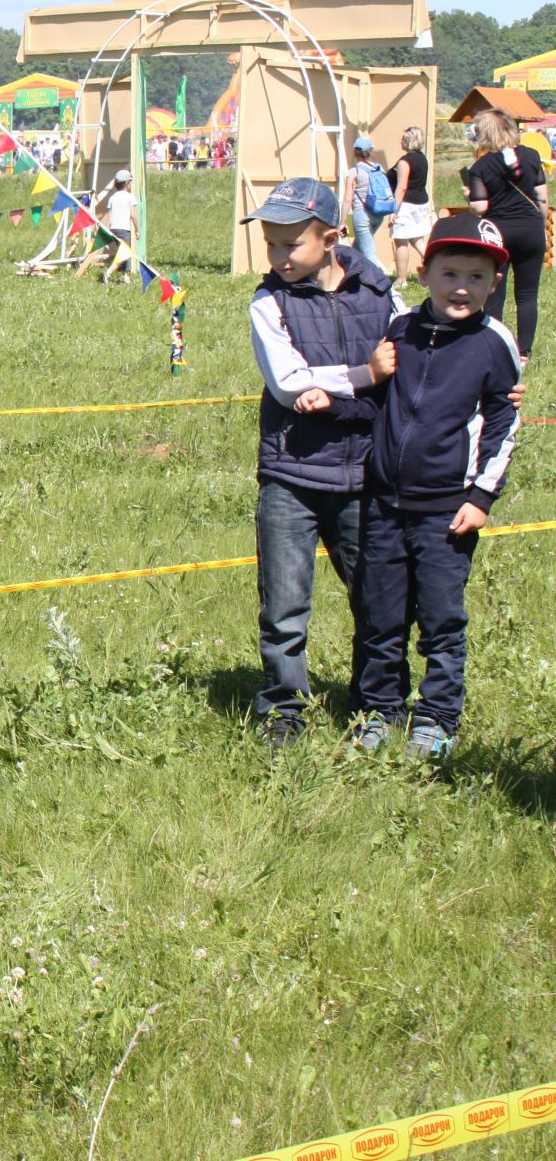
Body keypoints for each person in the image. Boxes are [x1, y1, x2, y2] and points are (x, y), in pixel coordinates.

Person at [353, 214, 523, 760]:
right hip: (383, 503)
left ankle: (436, 718)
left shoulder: (495, 342)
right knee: (380, 616)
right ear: (425, 273)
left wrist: (480, 498)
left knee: (441, 620)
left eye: (477, 278)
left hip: (446, 512)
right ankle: (379, 709)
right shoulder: (399, 328)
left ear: (494, 284)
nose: (462, 287)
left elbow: (504, 423)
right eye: (451, 273)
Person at [240, 177, 401, 748]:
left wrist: (493, 383)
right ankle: (284, 709)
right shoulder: (268, 302)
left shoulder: (382, 295)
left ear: (331, 238)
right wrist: (362, 378)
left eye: (292, 245)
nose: (279, 257)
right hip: (292, 474)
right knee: (284, 609)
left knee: (376, 599)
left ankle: (376, 704)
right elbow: (288, 383)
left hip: (365, 473)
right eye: (271, 245)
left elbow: (417, 354)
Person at [466, 108, 547, 365]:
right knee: (527, 294)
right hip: (531, 229)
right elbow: (542, 197)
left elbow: (480, 207)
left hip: (498, 232)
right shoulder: (533, 156)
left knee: (494, 291)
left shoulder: (481, 166)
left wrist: (469, 196)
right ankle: (523, 353)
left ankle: (495, 345)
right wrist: (539, 225)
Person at [387, 126, 432, 290]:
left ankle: (401, 279)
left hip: (407, 204)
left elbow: (402, 187)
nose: (400, 141)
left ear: (409, 141)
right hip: (421, 202)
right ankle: (434, 267)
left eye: (403, 139)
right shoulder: (422, 158)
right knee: (417, 239)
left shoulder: (405, 162)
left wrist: (394, 210)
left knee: (401, 241)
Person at [339, 135, 388, 272]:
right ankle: (347, 273)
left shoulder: (354, 172)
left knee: (368, 253)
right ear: (370, 151)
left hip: (362, 215)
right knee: (358, 248)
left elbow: (348, 198)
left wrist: (343, 222)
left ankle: (382, 284)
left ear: (355, 152)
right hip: (378, 213)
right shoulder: (379, 168)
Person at [99, 169, 138, 284]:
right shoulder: (130, 197)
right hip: (124, 229)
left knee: (123, 252)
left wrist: (108, 229)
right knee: (125, 253)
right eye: (130, 181)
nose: (131, 183)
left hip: (113, 229)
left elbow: (109, 216)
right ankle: (109, 272)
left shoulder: (112, 198)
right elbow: (133, 215)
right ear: (126, 183)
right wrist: (137, 229)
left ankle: (125, 276)